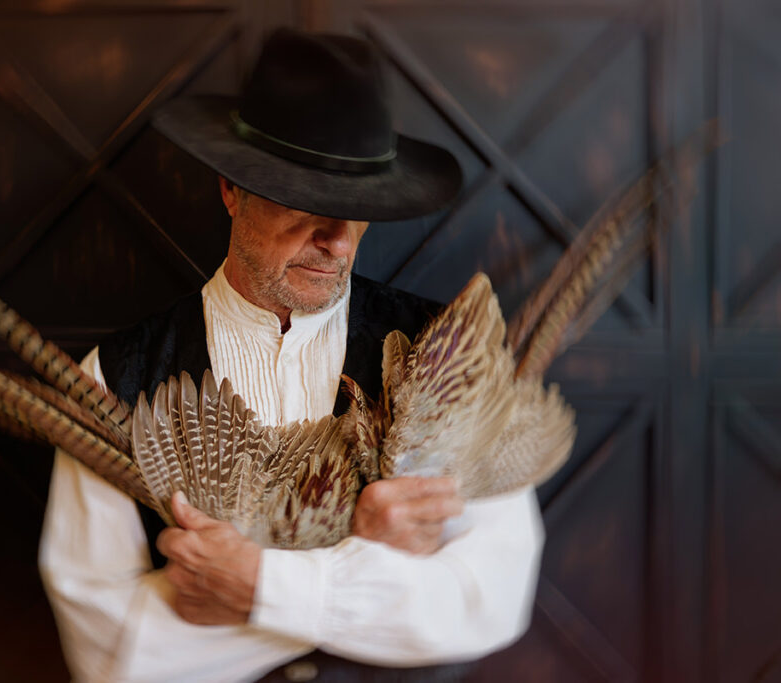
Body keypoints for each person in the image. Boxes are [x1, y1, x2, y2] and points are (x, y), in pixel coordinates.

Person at [39, 28, 544, 682]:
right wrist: (366, 571)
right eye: (308, 199)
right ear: (231, 188)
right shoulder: (113, 382)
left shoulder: (446, 355)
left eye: (358, 207)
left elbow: (489, 594)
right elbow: (108, 648)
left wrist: (257, 586)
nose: (337, 240)